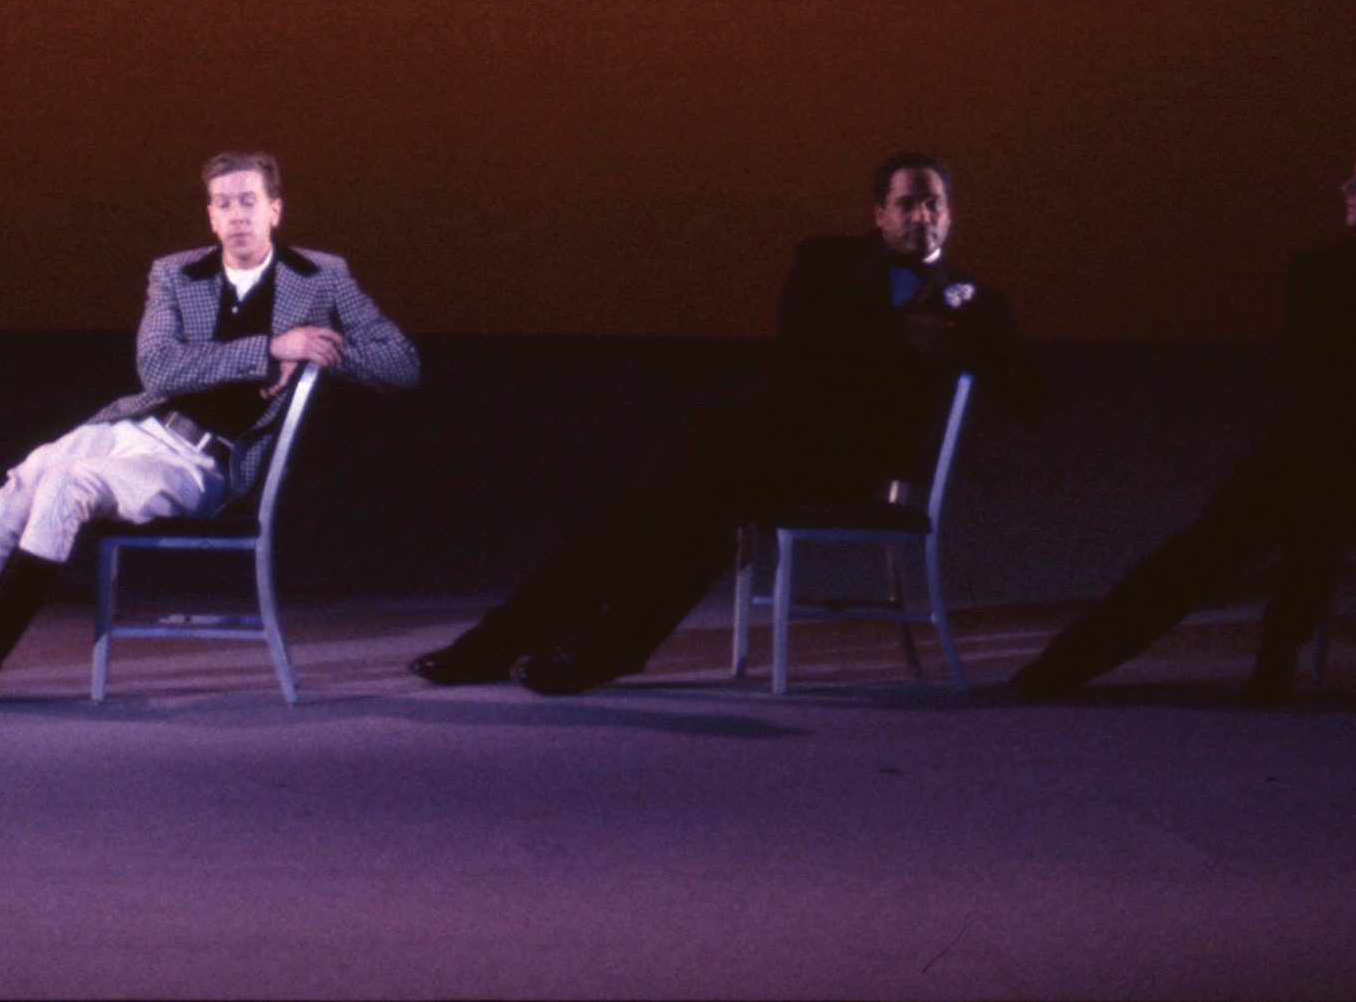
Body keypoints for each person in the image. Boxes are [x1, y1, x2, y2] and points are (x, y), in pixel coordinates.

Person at [412, 152, 1043, 694]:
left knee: (681, 506)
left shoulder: (979, 300)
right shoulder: (826, 259)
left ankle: (546, 649)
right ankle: (540, 647)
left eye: (933, 204)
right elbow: (801, 336)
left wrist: (972, 341)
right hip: (757, 440)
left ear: (949, 214)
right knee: (647, 510)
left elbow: (1029, 400)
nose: (920, 216)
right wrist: (904, 336)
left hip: (845, 468)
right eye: (906, 204)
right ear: (879, 214)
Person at [0, 152, 420, 707]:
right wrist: (268, 348)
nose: (237, 216)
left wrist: (316, 349)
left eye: (248, 202)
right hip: (135, 427)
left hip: (201, 464)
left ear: (275, 210)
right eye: (223, 203)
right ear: (210, 217)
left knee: (67, 487)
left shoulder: (320, 277)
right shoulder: (176, 274)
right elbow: (157, 367)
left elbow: (401, 363)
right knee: (20, 485)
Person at [1008, 136, 1356, 704]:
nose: (1347, 189)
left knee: (1321, 505)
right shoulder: (1319, 272)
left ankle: (1273, 665)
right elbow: (1313, 387)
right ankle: (1064, 668)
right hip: (1317, 450)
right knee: (1210, 544)